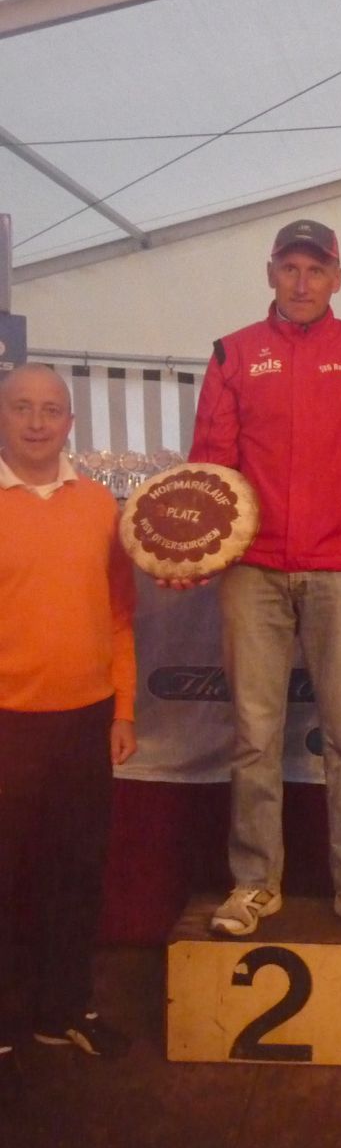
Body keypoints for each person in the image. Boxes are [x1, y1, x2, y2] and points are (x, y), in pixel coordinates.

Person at [189, 219, 341, 940]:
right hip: (252, 571)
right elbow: (211, 468)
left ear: (338, 278)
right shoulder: (232, 354)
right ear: (271, 273)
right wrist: (200, 547)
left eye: (317, 269)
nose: (303, 281)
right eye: (291, 267)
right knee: (255, 736)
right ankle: (255, 883)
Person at [0, 365, 136, 1100]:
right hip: (6, 724)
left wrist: (123, 711)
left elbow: (119, 615)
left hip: (86, 719)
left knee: (75, 873)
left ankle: (64, 1012)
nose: (35, 422)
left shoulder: (99, 506)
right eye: (21, 407)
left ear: (70, 423)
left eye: (50, 409)